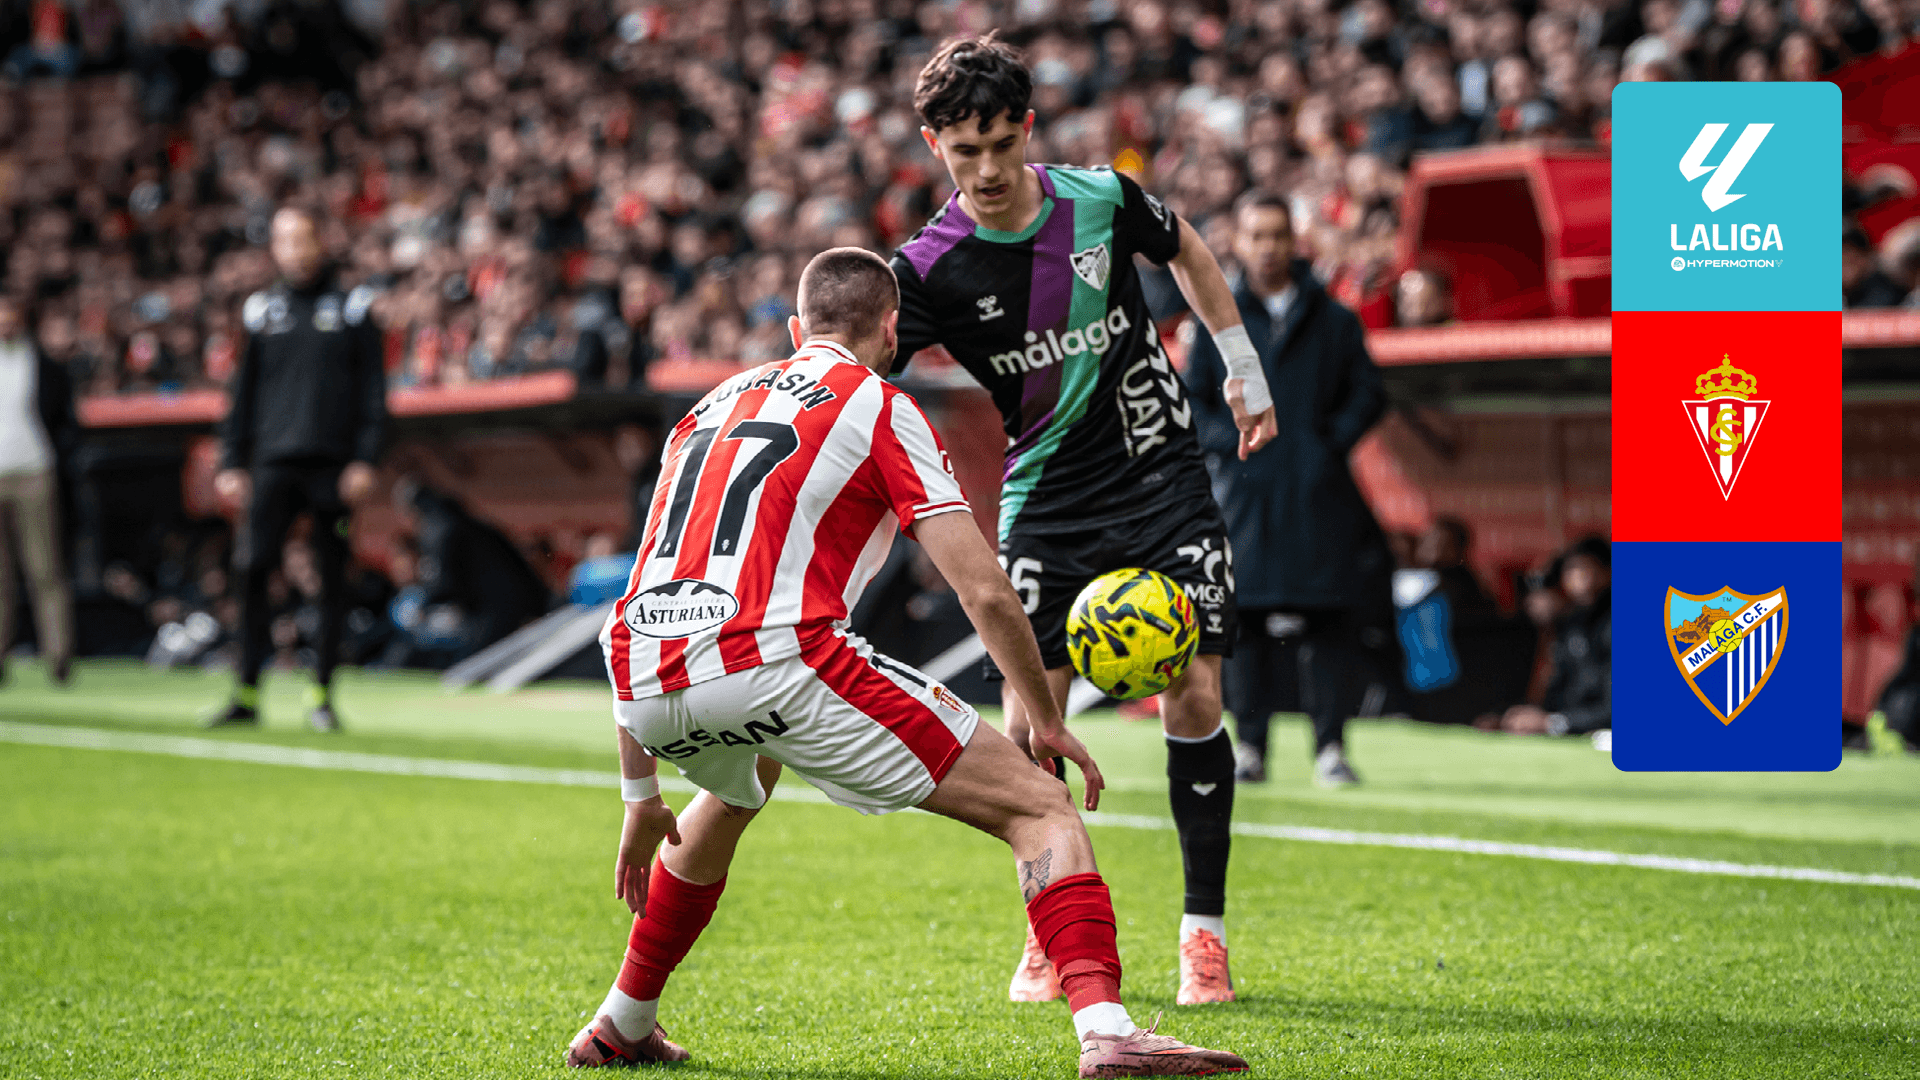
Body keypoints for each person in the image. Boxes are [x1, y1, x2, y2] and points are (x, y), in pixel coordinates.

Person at [570, 248, 1246, 1077]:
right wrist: (1046, 718)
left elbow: (641, 599)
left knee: (738, 787)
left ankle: (621, 1022)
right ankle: (1108, 1032)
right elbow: (984, 589)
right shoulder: (878, 403)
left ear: (796, 330)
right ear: (892, 331)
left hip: (642, 673)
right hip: (776, 658)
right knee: (1042, 807)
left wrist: (640, 795)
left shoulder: (704, 408)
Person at [887, 33, 1277, 1008]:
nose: (984, 169)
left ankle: (1203, 934)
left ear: (1026, 127)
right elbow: (861, 370)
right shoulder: (928, 269)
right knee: (1030, 719)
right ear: (934, 144)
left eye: (999, 144)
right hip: (1046, 499)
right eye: (962, 151)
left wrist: (1243, 366)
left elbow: (1187, 247)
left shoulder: (1100, 199)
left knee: (1195, 691)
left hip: (1160, 477)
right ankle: (1048, 927)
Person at [1185, 192, 1395, 788]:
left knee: (1328, 622)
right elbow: (1191, 402)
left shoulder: (1335, 319)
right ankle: (1250, 748)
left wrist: (1323, 445)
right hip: (1243, 495)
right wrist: (1231, 441)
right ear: (1239, 242)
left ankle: (1330, 748)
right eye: (1258, 236)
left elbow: (1368, 392)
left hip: (1316, 495)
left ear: (1293, 240)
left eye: (1278, 235)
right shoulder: (1216, 321)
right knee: (1242, 626)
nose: (1269, 247)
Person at [207, 206, 387, 732]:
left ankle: (322, 695)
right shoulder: (262, 311)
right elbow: (242, 394)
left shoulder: (353, 308)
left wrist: (365, 458)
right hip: (272, 462)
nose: (296, 251)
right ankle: (245, 690)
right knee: (251, 569)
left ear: (320, 241)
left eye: (303, 239)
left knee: (331, 579)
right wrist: (231, 460)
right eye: (285, 241)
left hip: (332, 466)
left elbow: (374, 392)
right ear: (275, 249)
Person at [0, 294, 78, 685]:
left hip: (35, 473)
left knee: (45, 569)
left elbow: (66, 420)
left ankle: (58, 657)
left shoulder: (44, 364)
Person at [1503, 535, 1611, 736]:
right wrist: (1519, 717)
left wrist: (1554, 722)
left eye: (1585, 568)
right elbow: (1558, 691)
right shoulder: (1571, 624)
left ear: (1608, 572)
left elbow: (1613, 709)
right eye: (1571, 570)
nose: (1578, 578)